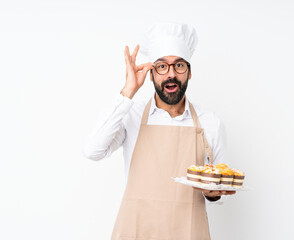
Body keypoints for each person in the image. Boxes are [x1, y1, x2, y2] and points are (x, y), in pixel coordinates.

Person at [83, 22, 236, 240]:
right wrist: (128, 92)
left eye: (179, 66)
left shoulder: (210, 122)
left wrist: (213, 194)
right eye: (162, 66)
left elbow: (222, 192)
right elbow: (92, 150)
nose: (171, 74)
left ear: (189, 72)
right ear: (152, 73)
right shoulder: (131, 115)